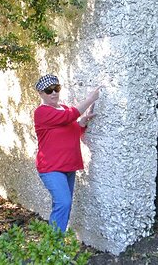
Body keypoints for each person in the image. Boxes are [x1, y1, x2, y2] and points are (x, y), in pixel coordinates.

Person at [34, 74, 101, 232]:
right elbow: (69, 116)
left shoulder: (63, 108)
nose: (53, 93)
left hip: (68, 167)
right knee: (63, 203)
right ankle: (55, 249)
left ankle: (54, 243)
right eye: (48, 90)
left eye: (56, 89)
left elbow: (71, 130)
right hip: (51, 168)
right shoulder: (41, 112)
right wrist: (90, 99)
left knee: (62, 205)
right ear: (41, 94)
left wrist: (82, 123)